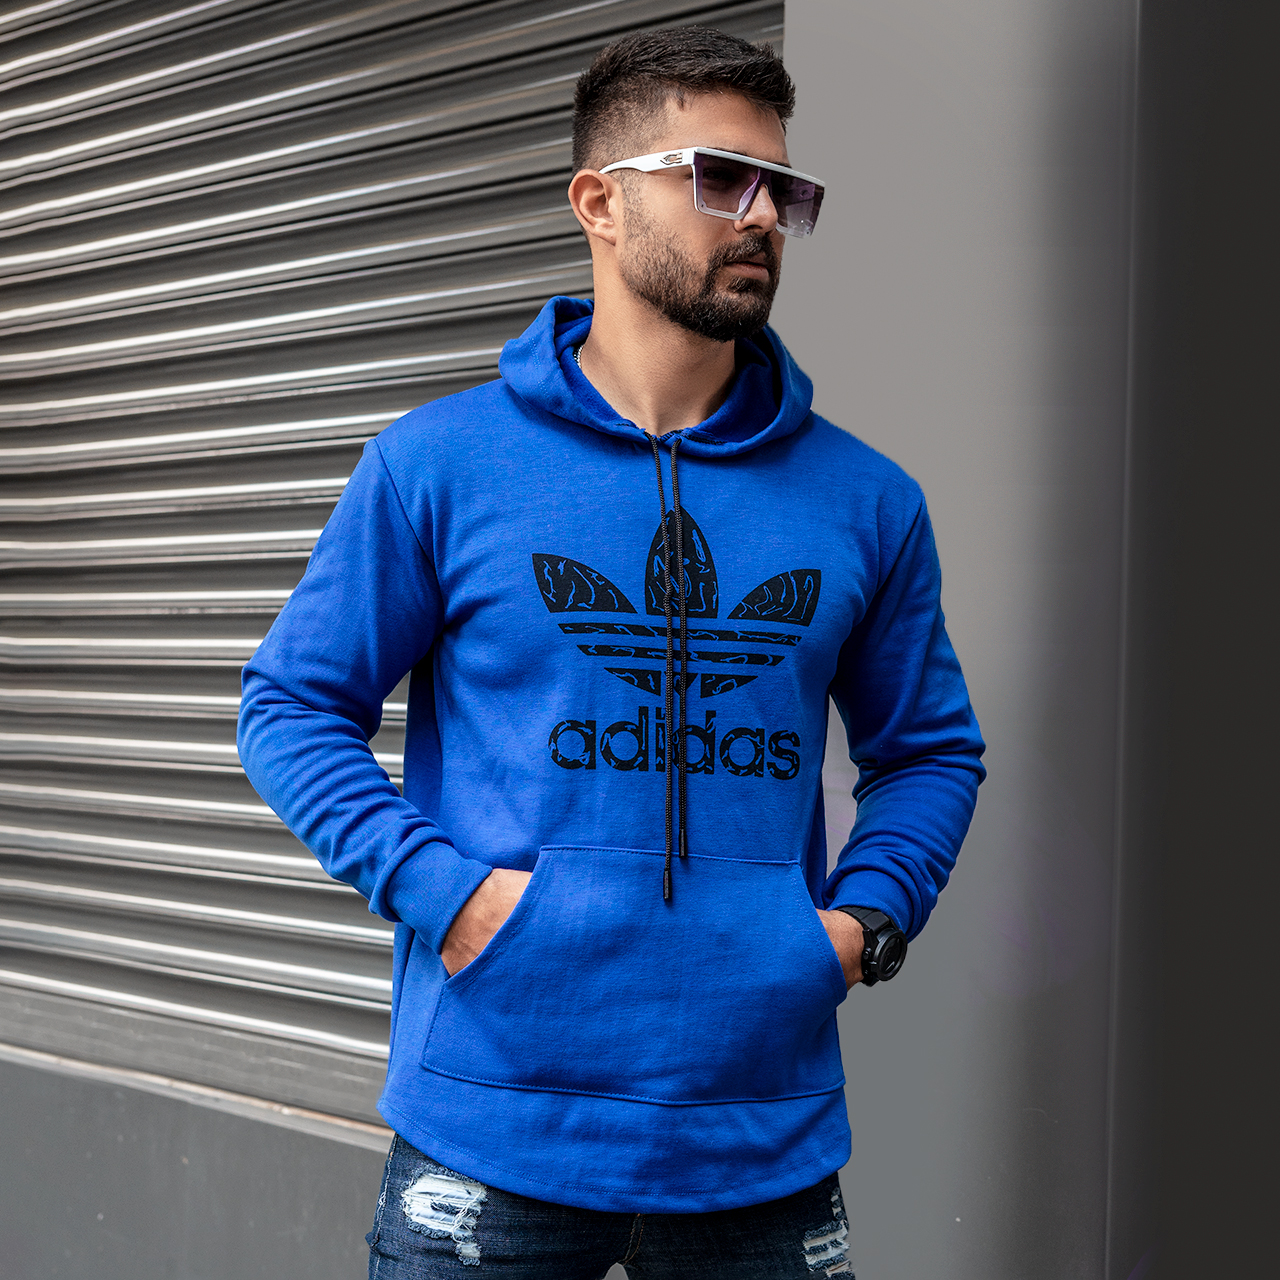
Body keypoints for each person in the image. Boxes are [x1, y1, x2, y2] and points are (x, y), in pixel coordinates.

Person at [238, 25, 985, 1280]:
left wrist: (861, 923)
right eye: (720, 178)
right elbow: (290, 704)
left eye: (781, 188)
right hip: (492, 1131)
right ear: (598, 202)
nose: (761, 217)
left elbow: (929, 751)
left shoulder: (865, 500)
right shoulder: (439, 466)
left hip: (760, 1140)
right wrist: (446, 895)